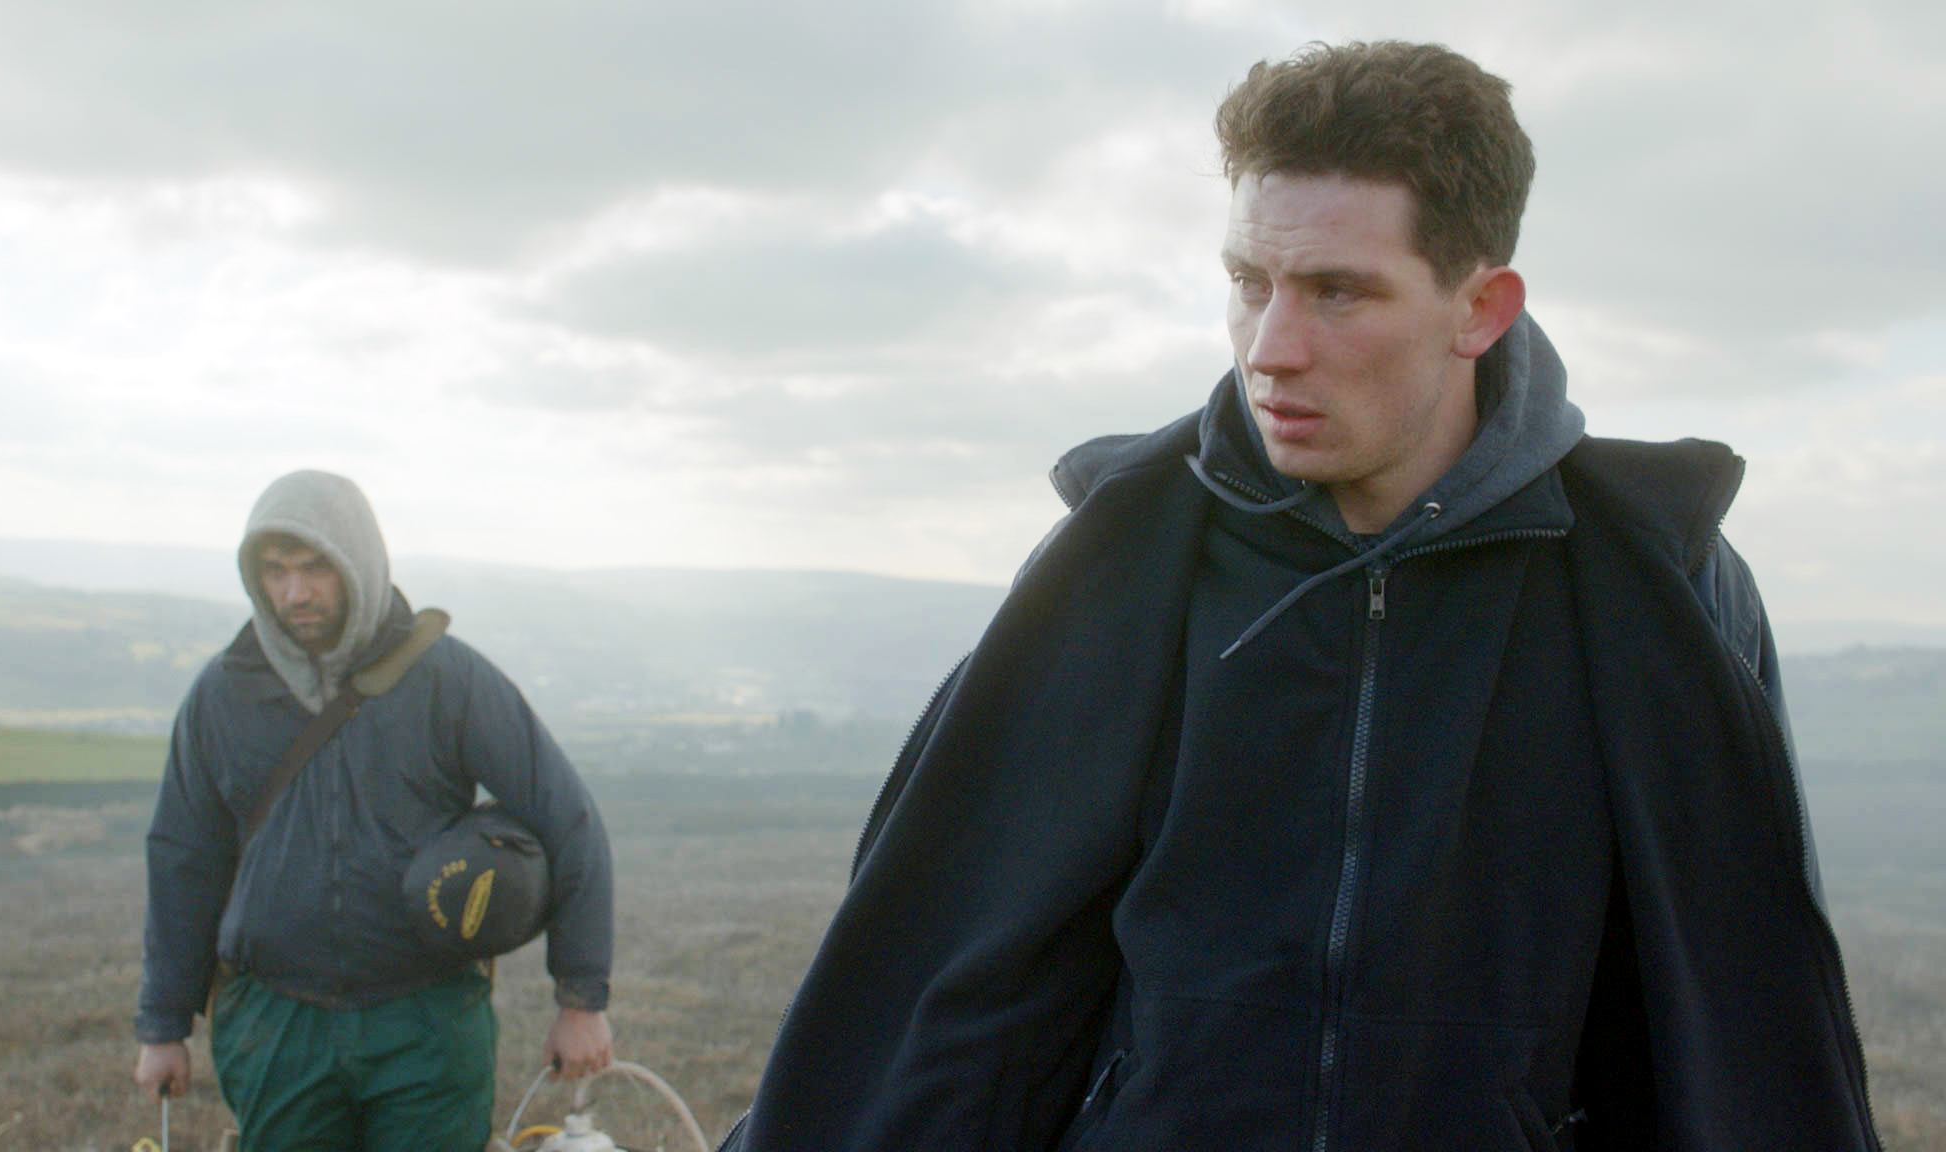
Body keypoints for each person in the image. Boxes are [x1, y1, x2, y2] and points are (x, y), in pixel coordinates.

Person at [722, 40, 1882, 1151]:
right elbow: (947, 981)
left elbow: (1736, 1002)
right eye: (1246, 282)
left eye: (1336, 292)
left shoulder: (1650, 582)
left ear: (1479, 308)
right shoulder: (1121, 558)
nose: (1269, 347)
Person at [131, 470, 615, 1151]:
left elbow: (570, 821)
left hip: (425, 1020)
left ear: (357, 562)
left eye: (315, 568)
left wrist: (581, 1000)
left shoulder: (449, 679)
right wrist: (162, 1027)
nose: (295, 592)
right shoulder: (221, 695)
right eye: (275, 571)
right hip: (276, 1025)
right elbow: (184, 856)